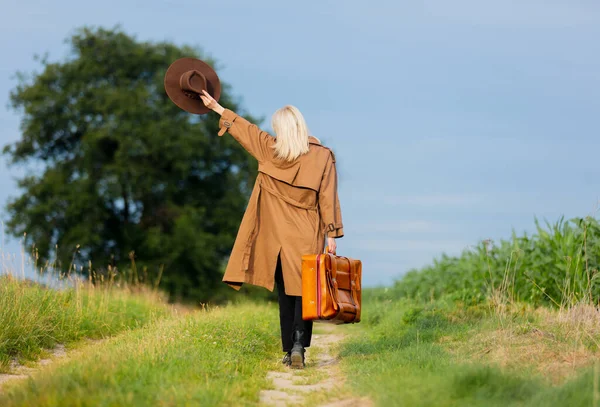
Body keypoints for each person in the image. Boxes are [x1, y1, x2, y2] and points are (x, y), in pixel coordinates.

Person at [200, 90, 344, 369]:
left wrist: (217, 107)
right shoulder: (323, 156)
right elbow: (328, 198)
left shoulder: (269, 149)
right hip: (306, 233)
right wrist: (332, 236)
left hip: (275, 237)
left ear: (281, 129)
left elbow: (245, 130)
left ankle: (289, 350)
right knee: (305, 290)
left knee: (285, 292)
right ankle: (300, 343)